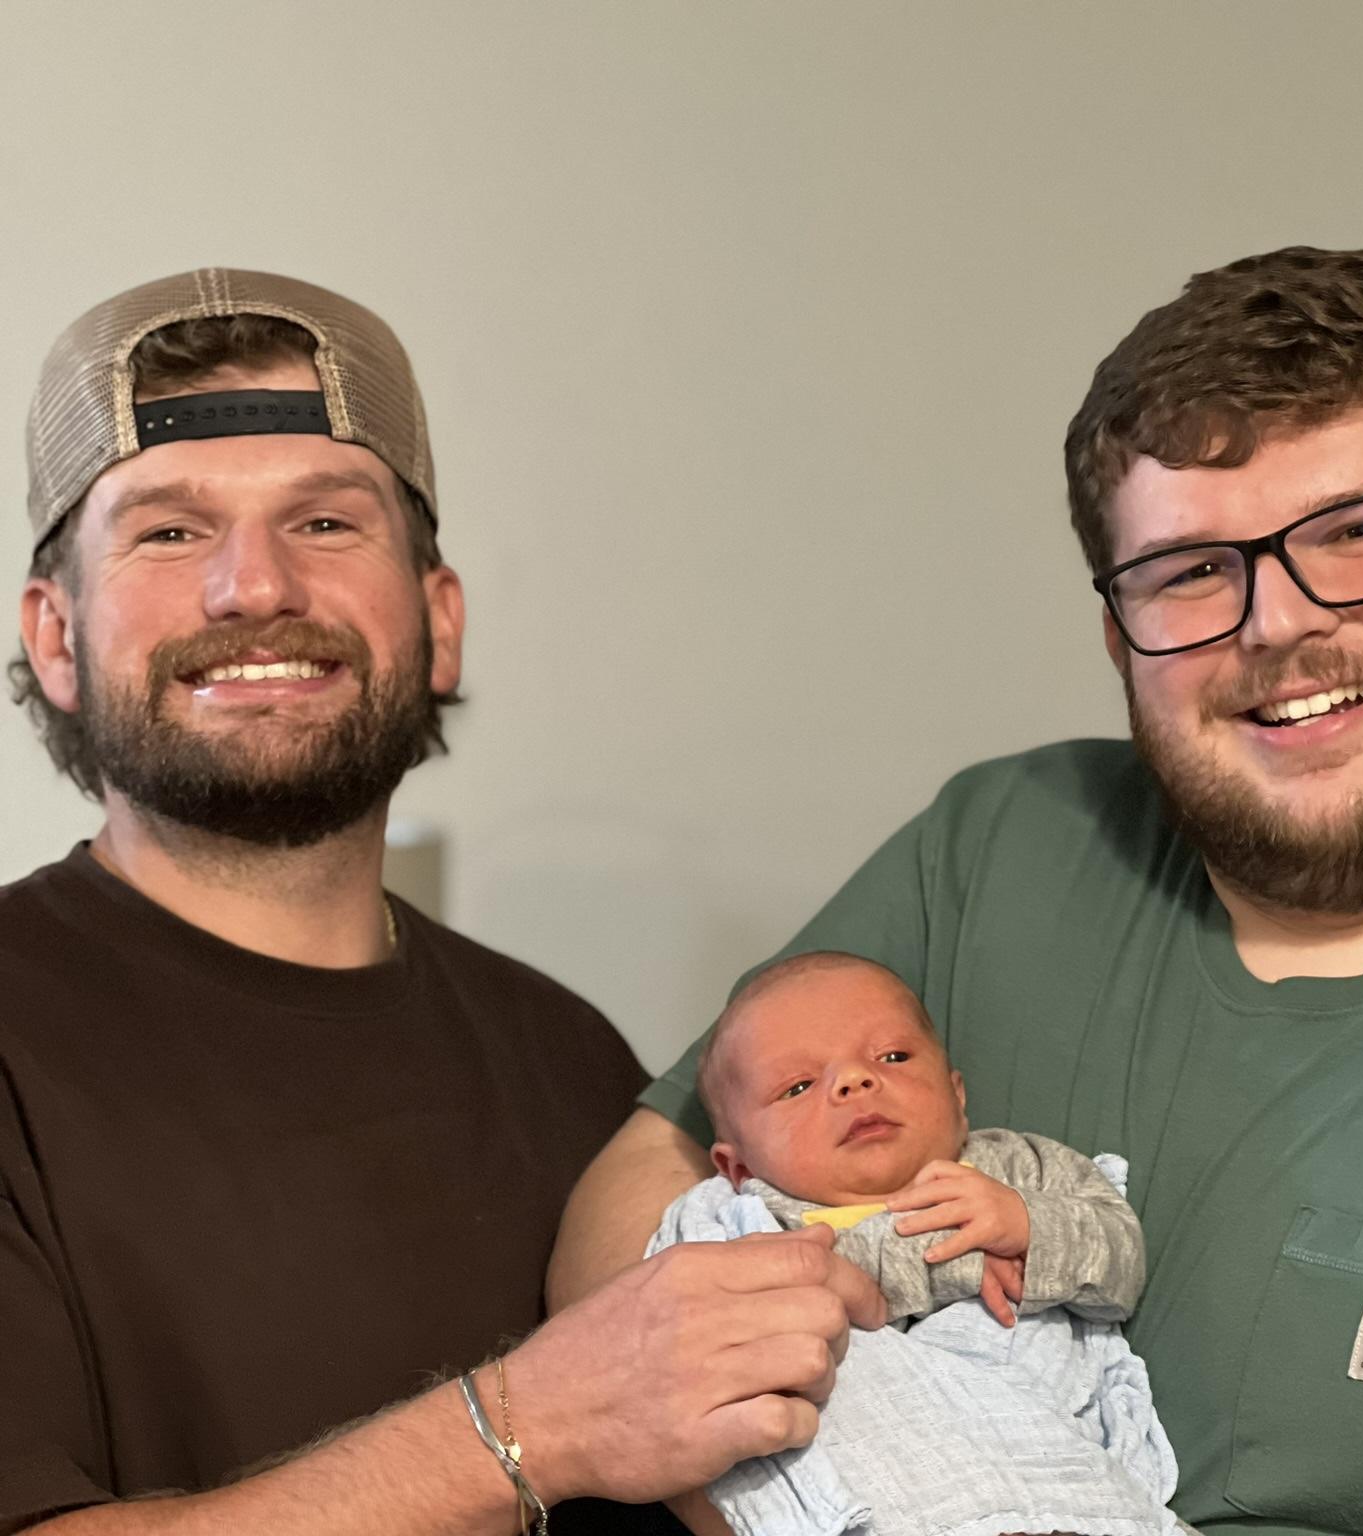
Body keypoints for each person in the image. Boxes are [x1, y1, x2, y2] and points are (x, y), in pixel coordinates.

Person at [549, 246, 1363, 1536]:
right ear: (1118, 634)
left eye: (1360, 534)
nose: (1277, 624)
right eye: (1192, 569)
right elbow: (643, 1195)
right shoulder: (1005, 842)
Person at [1, 268, 882, 1536]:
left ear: (438, 621)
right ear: (55, 637)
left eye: (325, 522)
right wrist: (532, 1425)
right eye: (169, 532)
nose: (254, 586)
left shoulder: (575, 1062)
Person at [650, 950, 1178, 1536]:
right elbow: (758, 1317)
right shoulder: (756, 1221)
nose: (854, 1081)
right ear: (739, 1166)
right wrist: (963, 1257)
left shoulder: (1022, 1168)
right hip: (898, 1478)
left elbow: (1120, 1258)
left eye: (893, 1057)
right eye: (798, 1086)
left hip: (1053, 1452)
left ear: (957, 1096)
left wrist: (1029, 1224)